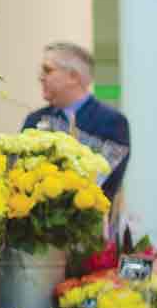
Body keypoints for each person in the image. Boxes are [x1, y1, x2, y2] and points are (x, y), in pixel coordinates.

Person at [24, 41, 131, 202]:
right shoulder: (34, 120)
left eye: (48, 70)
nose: (41, 77)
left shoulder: (111, 121)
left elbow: (108, 183)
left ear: (73, 77)